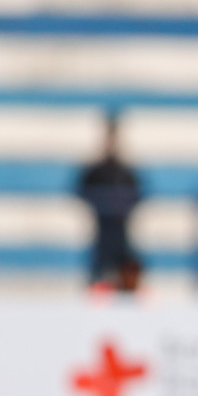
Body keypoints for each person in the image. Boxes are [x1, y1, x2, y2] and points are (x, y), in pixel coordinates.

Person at [76, 112, 144, 285]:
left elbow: (138, 194)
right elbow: (81, 190)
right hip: (102, 232)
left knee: (125, 277)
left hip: (121, 231)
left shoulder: (125, 171)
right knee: (99, 277)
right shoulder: (96, 170)